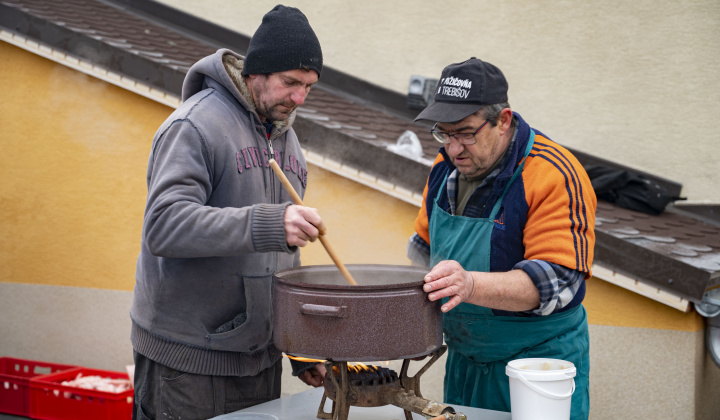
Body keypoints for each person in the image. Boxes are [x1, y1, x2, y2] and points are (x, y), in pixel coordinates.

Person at [130, 5, 327, 419]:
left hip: (260, 361)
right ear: (256, 72)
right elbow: (164, 226)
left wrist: (299, 344)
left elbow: (281, 254)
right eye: (290, 82)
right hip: (186, 366)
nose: (299, 97)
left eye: (309, 86)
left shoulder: (287, 141)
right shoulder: (195, 125)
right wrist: (271, 222)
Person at [407, 57, 596, 419]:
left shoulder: (553, 174)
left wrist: (469, 284)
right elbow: (421, 253)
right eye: (444, 133)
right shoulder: (444, 169)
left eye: (465, 133)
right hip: (465, 363)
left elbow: (557, 282)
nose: (454, 148)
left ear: (503, 121)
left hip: (538, 368)